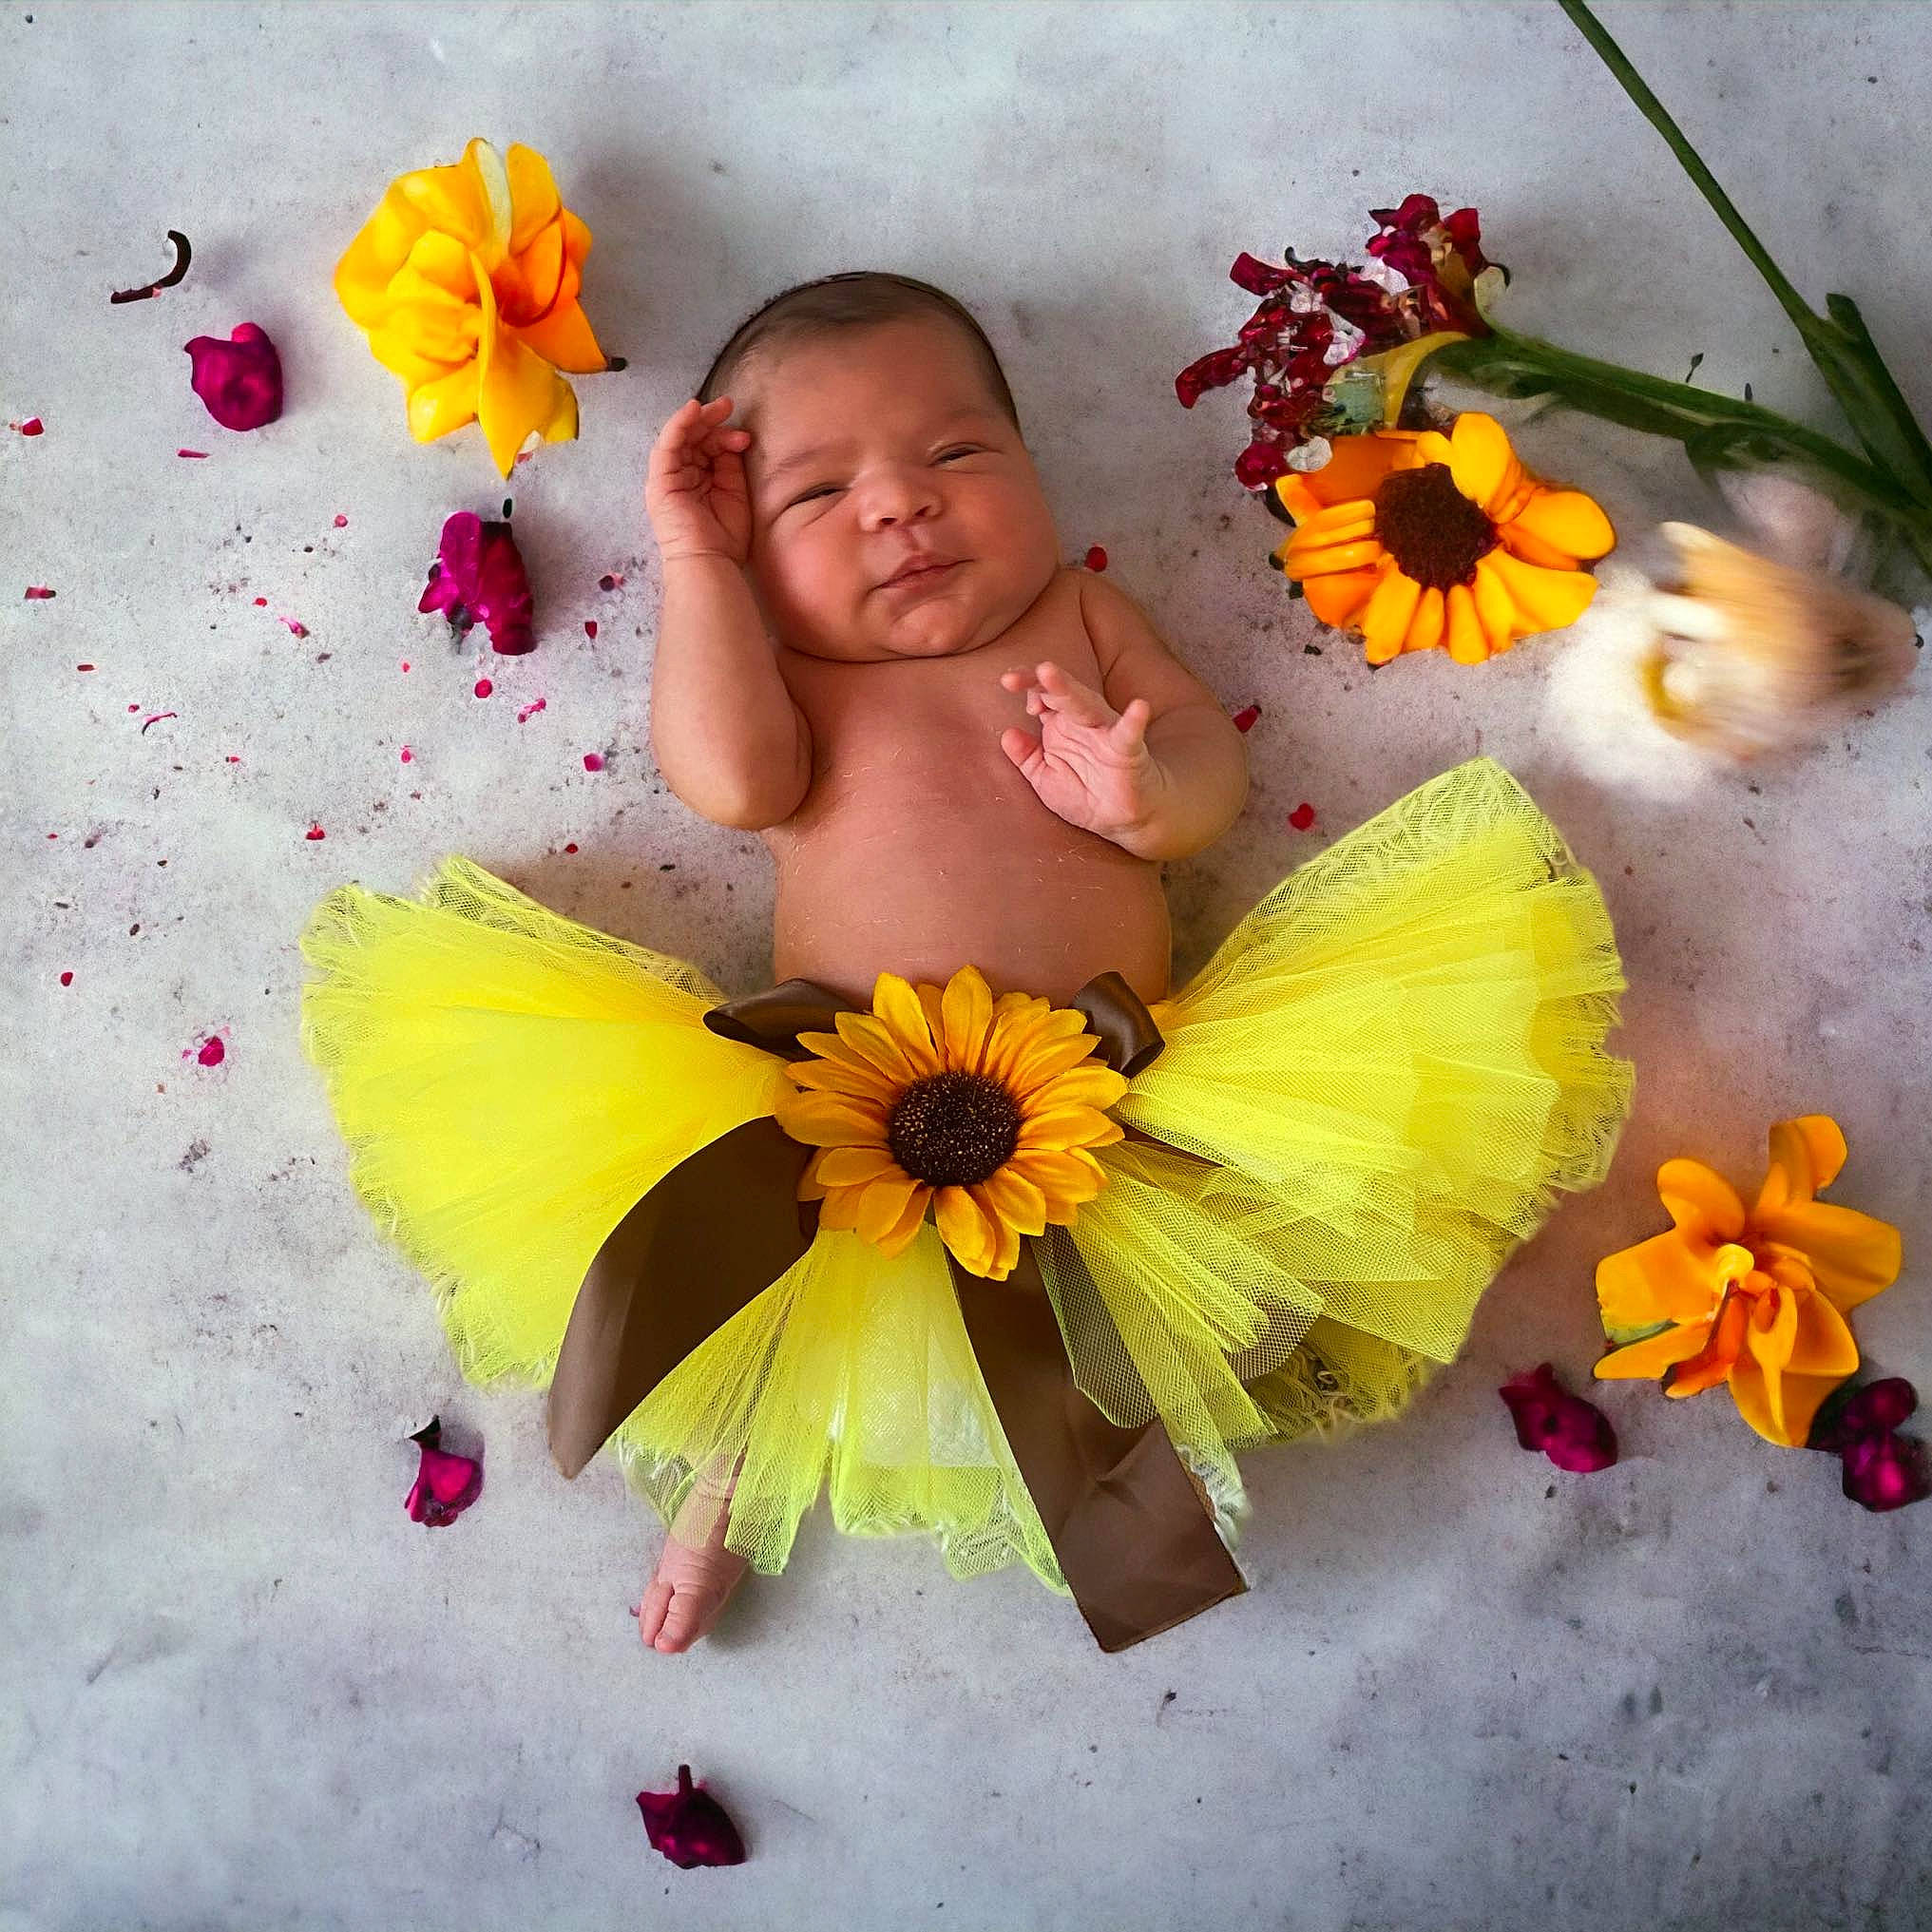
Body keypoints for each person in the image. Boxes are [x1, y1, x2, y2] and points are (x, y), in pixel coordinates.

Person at [301, 272, 1632, 1658]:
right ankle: (715, 1503)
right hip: (833, 1104)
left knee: (1160, 1313)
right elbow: (727, 780)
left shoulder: (1077, 615)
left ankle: (1156, 1478)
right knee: (778, 1335)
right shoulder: (795, 676)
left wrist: (1140, 795)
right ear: (756, 557)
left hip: (1118, 1089)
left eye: (955, 453)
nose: (899, 505)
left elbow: (1205, 773)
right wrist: (694, 567)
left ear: (1033, 469)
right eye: (816, 497)